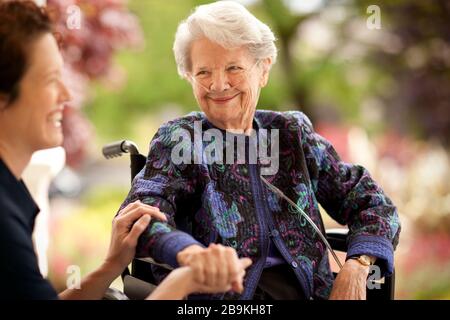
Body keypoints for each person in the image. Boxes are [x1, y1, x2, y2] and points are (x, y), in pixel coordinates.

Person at [119, 1, 401, 300]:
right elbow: (140, 216)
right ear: (189, 76)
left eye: (233, 68)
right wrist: (188, 253)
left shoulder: (291, 133)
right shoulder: (180, 139)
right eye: (203, 72)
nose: (218, 84)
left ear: (263, 69)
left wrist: (357, 265)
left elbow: (373, 203)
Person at [0, 0, 251, 300]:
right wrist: (186, 281)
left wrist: (110, 266)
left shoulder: (10, 195)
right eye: (52, 80)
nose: (67, 95)